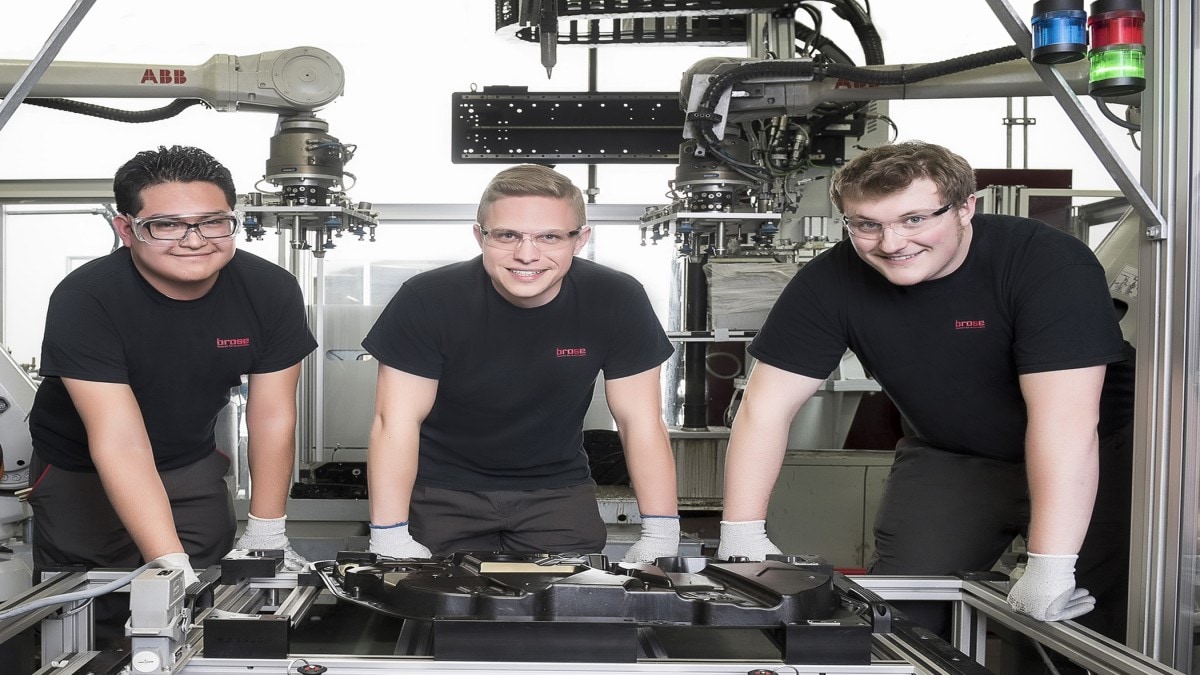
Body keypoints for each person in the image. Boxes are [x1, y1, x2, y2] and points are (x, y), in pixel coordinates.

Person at [715, 141, 1131, 635]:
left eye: (914, 219)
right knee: (903, 614)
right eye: (866, 224)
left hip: (1097, 453)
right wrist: (741, 533)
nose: (891, 243)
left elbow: (1066, 423)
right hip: (953, 454)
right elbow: (764, 409)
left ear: (965, 207)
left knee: (1076, 625)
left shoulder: (1046, 263)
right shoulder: (830, 282)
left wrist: (1051, 566)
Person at [27, 145, 317, 592]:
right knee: (92, 602)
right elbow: (120, 440)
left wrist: (267, 530)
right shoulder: (86, 298)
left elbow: (273, 415)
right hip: (82, 472)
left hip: (189, 462)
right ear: (127, 230)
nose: (195, 241)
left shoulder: (270, 290)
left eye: (213, 222)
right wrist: (169, 563)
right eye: (166, 225)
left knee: (209, 593)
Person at [363, 164, 680, 562]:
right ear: (480, 236)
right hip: (443, 492)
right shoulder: (427, 300)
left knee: (578, 598)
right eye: (507, 235)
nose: (527, 255)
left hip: (558, 492)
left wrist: (661, 534)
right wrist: (389, 534)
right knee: (432, 600)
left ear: (580, 240)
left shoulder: (616, 298)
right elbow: (394, 422)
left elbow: (641, 421)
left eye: (550, 236)